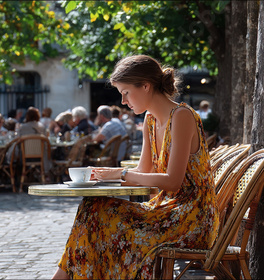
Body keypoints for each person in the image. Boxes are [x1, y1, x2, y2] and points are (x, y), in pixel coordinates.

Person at [52, 55, 219, 279]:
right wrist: (101, 177)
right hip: (167, 211)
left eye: (126, 92)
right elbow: (143, 173)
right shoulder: (150, 119)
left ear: (146, 86)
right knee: (92, 207)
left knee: (97, 217)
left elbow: (172, 181)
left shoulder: (182, 116)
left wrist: (120, 173)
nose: (123, 101)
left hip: (191, 218)